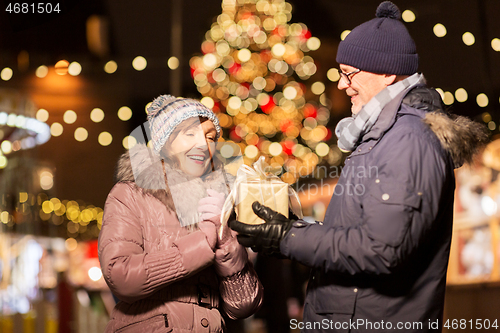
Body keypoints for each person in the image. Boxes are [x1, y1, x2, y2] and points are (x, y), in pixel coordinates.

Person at [229, 2, 488, 332]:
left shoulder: (407, 140)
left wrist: (288, 238)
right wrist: (293, 231)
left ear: (386, 73)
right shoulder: (381, 135)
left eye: (349, 73)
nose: (341, 84)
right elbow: (358, 233)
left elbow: (381, 250)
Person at [98, 95, 263, 333]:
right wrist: (204, 241)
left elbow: (244, 305)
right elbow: (121, 277)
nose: (203, 145)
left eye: (210, 137)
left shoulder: (221, 204)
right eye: (190, 134)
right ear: (165, 141)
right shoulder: (130, 195)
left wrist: (226, 240)